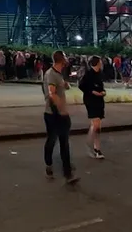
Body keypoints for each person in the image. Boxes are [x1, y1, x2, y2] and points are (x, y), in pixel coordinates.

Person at [42, 50, 78, 184]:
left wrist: (65, 85)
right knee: (52, 140)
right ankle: (49, 165)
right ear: (61, 59)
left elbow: (57, 88)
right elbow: (52, 93)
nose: (67, 58)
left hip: (59, 113)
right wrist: (61, 109)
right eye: (65, 56)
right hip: (53, 113)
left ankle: (67, 172)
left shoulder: (57, 74)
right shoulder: (51, 74)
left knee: (64, 142)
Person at [78, 55, 107, 159]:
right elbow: (81, 86)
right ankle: (92, 146)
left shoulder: (99, 74)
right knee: (96, 125)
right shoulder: (88, 74)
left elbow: (101, 86)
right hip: (91, 101)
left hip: (99, 100)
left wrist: (103, 92)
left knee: (97, 125)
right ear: (97, 63)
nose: (102, 63)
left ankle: (96, 147)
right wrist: (92, 92)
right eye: (100, 62)